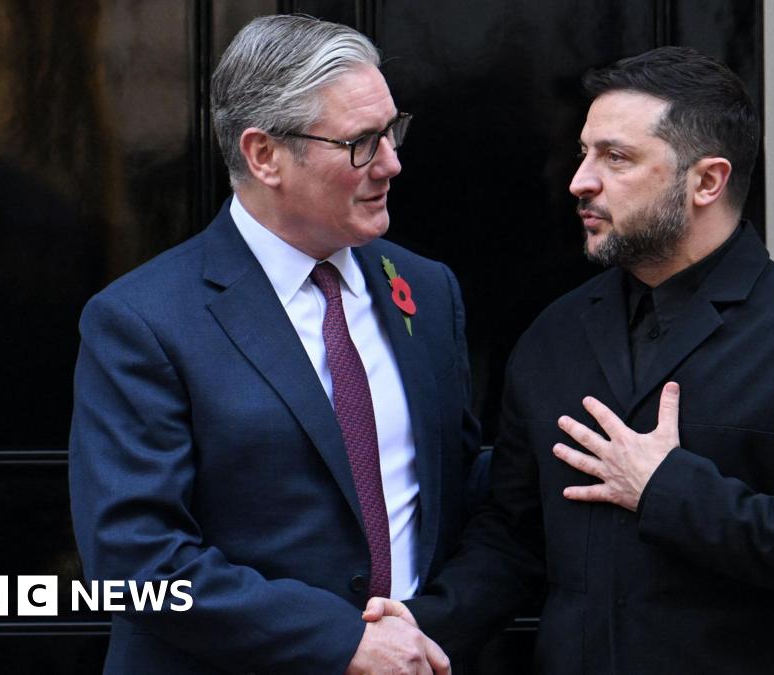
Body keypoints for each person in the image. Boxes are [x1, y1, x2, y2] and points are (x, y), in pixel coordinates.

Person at [372, 46, 774, 674]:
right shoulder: (555, 334)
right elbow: (514, 535)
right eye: (584, 153)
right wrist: (429, 622)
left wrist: (666, 488)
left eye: (616, 158)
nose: (580, 181)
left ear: (707, 181)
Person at [68, 15, 479, 674]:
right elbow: (134, 557)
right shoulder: (142, 321)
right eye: (362, 142)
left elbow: (458, 493)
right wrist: (341, 641)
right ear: (264, 155)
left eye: (393, 130)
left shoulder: (426, 292)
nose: (393, 163)